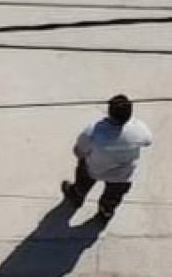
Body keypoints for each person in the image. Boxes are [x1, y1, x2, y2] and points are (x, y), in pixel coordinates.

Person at [62, 94, 153, 224]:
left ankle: (77, 195)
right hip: (122, 175)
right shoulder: (139, 129)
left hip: (94, 169)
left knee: (83, 172)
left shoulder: (93, 131)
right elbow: (148, 141)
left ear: (110, 112)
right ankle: (106, 211)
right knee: (113, 196)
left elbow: (79, 151)